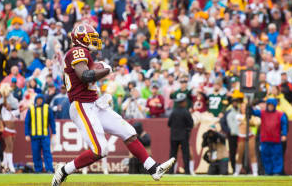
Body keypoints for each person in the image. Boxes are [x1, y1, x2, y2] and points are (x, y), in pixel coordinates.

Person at [52, 21, 175, 186]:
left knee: (129, 132)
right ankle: (64, 170)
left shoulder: (84, 54)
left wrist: (100, 72)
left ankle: (153, 168)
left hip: (94, 103)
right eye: (90, 37)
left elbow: (87, 77)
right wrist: (106, 69)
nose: (94, 40)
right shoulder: (76, 51)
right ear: (81, 39)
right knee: (100, 150)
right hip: (82, 105)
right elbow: (86, 76)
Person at [251, 98, 288, 175]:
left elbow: (284, 125)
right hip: (265, 139)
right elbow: (253, 112)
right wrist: (249, 105)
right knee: (265, 157)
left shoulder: (280, 114)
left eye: (272, 105)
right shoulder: (262, 113)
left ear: (274, 106)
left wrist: (284, 134)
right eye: (269, 105)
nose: (270, 107)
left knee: (277, 156)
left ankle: (277, 172)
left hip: (276, 139)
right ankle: (268, 171)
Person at [25, 95, 56, 173]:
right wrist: (27, 134)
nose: (39, 101)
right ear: (35, 100)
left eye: (40, 99)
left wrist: (54, 132)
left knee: (47, 153)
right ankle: (38, 169)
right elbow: (27, 123)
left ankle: (49, 169)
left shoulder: (47, 108)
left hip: (45, 135)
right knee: (36, 154)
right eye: (38, 99)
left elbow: (52, 121)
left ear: (43, 100)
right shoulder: (31, 109)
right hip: (34, 136)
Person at [0, 83, 20, 173]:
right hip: (7, 130)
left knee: (9, 147)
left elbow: (19, 110)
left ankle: (4, 162)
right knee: (9, 146)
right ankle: (10, 165)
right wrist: (4, 95)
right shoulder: (3, 108)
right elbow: (2, 104)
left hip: (13, 130)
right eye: (7, 105)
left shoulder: (12, 111)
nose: (9, 105)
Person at [168, 94, 193, 174]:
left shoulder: (173, 112)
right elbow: (191, 124)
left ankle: (171, 171)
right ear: (183, 102)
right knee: (185, 154)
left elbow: (169, 124)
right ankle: (187, 171)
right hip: (184, 136)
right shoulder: (186, 112)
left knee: (172, 154)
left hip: (173, 136)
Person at [234, 99, 260, 176]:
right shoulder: (238, 116)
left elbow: (256, 123)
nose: (244, 108)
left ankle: (255, 172)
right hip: (241, 135)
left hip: (250, 135)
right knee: (240, 154)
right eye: (243, 107)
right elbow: (245, 120)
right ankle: (237, 171)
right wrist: (250, 118)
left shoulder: (251, 116)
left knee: (252, 154)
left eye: (246, 107)